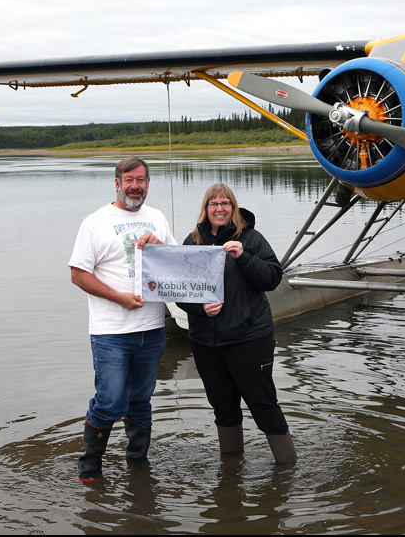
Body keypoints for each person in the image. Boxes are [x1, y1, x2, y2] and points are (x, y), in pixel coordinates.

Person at [68, 156, 176, 482]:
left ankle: (137, 462)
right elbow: (77, 275)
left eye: (141, 180)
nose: (135, 186)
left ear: (147, 183)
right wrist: (119, 298)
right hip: (111, 331)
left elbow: (177, 266)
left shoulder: (156, 217)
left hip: (153, 327)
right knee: (111, 400)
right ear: (117, 183)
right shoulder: (95, 222)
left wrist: (161, 247)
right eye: (128, 180)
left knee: (140, 399)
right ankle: (89, 466)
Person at [175, 184, 296, 463]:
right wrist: (200, 308)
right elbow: (179, 291)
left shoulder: (251, 239)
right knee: (223, 407)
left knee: (263, 405)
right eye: (213, 204)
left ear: (234, 208)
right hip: (206, 341)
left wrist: (244, 257)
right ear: (206, 209)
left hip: (249, 339)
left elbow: (272, 278)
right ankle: (231, 467)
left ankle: (288, 468)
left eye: (225, 203)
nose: (219, 208)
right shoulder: (192, 243)